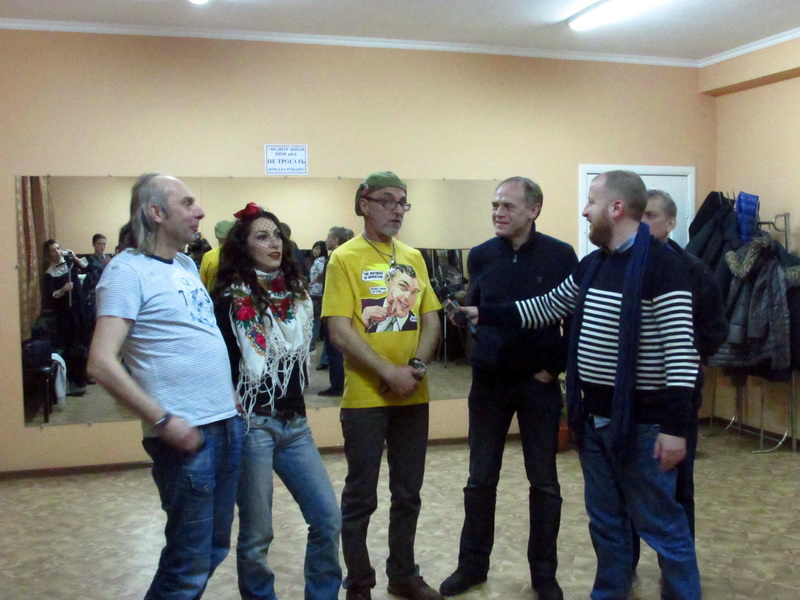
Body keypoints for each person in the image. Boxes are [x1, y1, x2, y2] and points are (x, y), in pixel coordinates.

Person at [463, 171, 702, 600]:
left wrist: (675, 428)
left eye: (592, 201)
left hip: (643, 425)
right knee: (607, 524)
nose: (585, 210)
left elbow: (681, 356)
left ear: (616, 208)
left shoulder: (664, 267)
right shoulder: (595, 265)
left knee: (663, 526)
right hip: (594, 420)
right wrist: (483, 313)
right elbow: (547, 306)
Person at [87, 173, 243, 599]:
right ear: (156, 212)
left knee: (212, 549)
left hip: (225, 426)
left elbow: (196, 334)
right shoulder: (126, 271)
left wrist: (227, 392)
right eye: (188, 203)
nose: (200, 212)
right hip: (185, 436)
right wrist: (162, 419)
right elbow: (101, 363)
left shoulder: (186, 265)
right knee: (187, 566)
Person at [439, 177, 577, 599]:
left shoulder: (560, 256)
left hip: (538, 384)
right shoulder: (481, 255)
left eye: (508, 206)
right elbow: (477, 313)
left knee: (544, 483)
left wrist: (551, 370)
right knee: (480, 479)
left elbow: (573, 322)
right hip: (489, 384)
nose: (498, 213)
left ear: (534, 210)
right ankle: (472, 567)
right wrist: (469, 334)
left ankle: (544, 575)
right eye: (495, 205)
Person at [212, 202, 342, 600]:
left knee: (327, 518)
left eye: (277, 236)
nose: (274, 243)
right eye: (262, 236)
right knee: (257, 535)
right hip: (253, 426)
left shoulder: (298, 296)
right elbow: (218, 361)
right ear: (243, 245)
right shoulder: (229, 299)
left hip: (294, 424)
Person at [322, 171, 442, 600]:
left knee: (408, 493)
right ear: (364, 204)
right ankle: (359, 582)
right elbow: (339, 330)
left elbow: (431, 320)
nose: (397, 210)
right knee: (361, 496)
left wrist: (414, 368)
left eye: (402, 202)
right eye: (387, 200)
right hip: (365, 398)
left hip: (414, 395)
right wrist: (387, 373)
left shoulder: (413, 257)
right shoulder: (344, 258)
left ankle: (403, 575)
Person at [637, 189, 728, 547]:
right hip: (630, 397)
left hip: (677, 397)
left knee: (677, 486)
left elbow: (714, 331)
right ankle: (625, 564)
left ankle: (676, 566)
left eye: (651, 216)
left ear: (671, 222)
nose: (643, 224)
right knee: (625, 487)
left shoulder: (692, 270)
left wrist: (681, 357)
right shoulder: (619, 265)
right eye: (638, 216)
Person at [42, 239, 90, 396]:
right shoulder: (50, 273)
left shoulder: (70, 263)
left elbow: (87, 267)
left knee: (84, 342)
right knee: (72, 346)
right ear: (48, 254)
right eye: (52, 250)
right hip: (66, 314)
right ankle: (74, 381)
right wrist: (63, 289)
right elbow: (51, 296)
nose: (56, 252)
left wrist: (75, 257)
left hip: (80, 309)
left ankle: (84, 375)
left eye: (58, 249)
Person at [316, 226, 353, 396]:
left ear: (336, 240)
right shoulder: (349, 255)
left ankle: (337, 385)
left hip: (335, 310)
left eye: (329, 238)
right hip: (343, 309)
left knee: (335, 349)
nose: (326, 241)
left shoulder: (336, 257)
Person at [361, 263, 420, 333]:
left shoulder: (417, 324)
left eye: (414, 292)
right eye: (403, 286)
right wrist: (363, 322)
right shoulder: (364, 306)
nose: (408, 297)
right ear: (388, 280)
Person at [200, 219, 235, 292]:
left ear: (216, 234)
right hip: (238, 298)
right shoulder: (241, 254)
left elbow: (201, 285)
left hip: (213, 297)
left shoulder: (208, 256)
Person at [308, 239, 328, 352]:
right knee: (316, 320)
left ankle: (311, 346)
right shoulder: (323, 260)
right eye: (314, 248)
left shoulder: (319, 261)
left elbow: (323, 273)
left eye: (318, 249)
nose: (315, 251)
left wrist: (314, 282)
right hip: (320, 293)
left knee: (314, 320)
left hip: (316, 293)